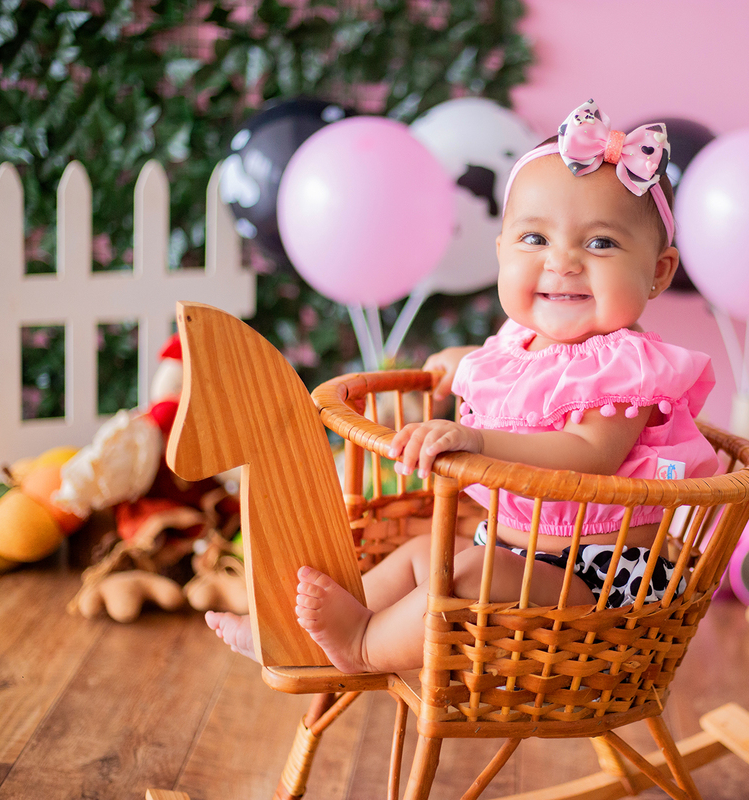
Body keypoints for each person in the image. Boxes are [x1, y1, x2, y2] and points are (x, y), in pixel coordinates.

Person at [207, 100, 720, 674]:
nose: (563, 262)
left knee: (469, 574)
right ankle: (287, 635)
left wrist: (477, 441)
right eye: (534, 239)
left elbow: (588, 453)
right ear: (501, 252)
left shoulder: (625, 365)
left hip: (600, 580)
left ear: (658, 272)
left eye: (600, 244)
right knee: (421, 554)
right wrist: (463, 361)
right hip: (515, 553)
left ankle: (361, 647)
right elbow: (515, 382)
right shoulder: (515, 343)